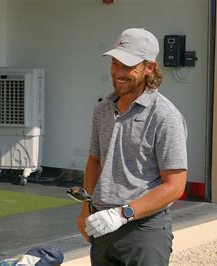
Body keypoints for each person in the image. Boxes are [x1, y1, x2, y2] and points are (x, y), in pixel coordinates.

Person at [76, 28, 188, 265]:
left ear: (150, 67)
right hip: (103, 226)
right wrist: (87, 208)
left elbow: (175, 186)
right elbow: (95, 161)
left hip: (145, 231)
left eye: (127, 65)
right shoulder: (102, 109)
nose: (118, 72)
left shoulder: (165, 116)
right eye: (115, 63)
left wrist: (123, 213)